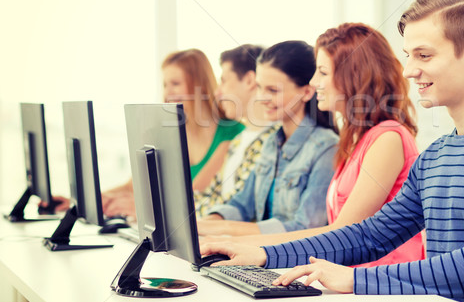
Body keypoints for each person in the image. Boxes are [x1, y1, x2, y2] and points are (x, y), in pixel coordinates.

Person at [200, 0, 464, 302]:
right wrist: (263, 255)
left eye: (424, 55)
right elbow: (371, 235)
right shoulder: (438, 154)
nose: (409, 70)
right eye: (409, 56)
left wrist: (355, 281)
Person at [204, 23, 425, 266]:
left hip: (378, 286)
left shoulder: (388, 139)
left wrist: (241, 244)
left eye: (322, 72)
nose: (314, 81)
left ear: (353, 75)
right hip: (345, 278)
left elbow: (342, 234)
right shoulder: (355, 140)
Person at [196, 40, 339, 236]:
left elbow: (305, 228)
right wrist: (204, 223)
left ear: (306, 92)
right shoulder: (271, 142)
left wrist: (222, 228)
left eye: (273, 90)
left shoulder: (326, 147)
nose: (262, 97)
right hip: (261, 257)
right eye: (260, 87)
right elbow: (242, 204)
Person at [103, 49, 244, 218]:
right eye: (165, 85)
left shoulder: (233, 133)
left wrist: (142, 207)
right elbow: (133, 186)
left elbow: (192, 196)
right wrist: (85, 203)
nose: (167, 93)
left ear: (200, 86)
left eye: (175, 84)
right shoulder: (165, 134)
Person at [195, 44, 279, 215]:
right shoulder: (239, 140)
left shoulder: (274, 140)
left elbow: (235, 205)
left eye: (224, 81)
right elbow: (211, 196)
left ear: (249, 80)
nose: (218, 92)